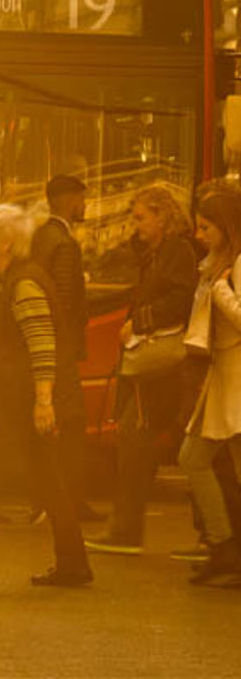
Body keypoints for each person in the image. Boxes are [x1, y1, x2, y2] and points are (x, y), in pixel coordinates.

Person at [0, 204, 92, 587]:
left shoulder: (24, 284)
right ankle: (74, 564)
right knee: (48, 483)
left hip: (23, 404)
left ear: (4, 243)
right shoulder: (12, 280)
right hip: (19, 402)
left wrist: (43, 401)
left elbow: (41, 344)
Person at [87, 185, 197, 556]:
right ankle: (126, 525)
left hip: (160, 363)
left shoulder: (177, 252)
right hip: (151, 361)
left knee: (137, 439)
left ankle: (127, 528)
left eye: (140, 217)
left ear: (162, 216)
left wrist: (140, 322)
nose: (135, 226)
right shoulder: (156, 252)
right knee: (135, 440)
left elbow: (181, 298)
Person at [31, 174, 103, 522]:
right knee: (73, 425)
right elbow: (60, 299)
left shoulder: (41, 237)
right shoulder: (63, 244)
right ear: (68, 199)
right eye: (81, 198)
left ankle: (47, 498)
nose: (85, 205)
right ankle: (70, 500)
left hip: (46, 348)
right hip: (59, 351)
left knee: (50, 427)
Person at [179, 188, 241, 584]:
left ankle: (224, 549)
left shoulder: (234, 266)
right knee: (194, 458)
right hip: (223, 377)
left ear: (225, 226)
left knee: (195, 458)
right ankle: (223, 547)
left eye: (206, 227)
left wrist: (219, 289)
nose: (200, 234)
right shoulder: (216, 262)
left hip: (235, 378)